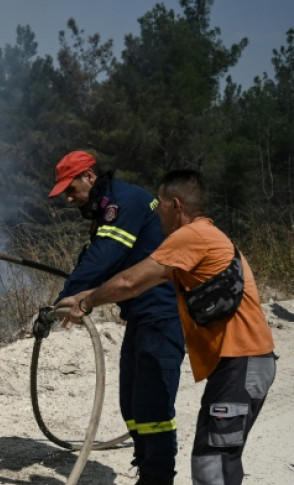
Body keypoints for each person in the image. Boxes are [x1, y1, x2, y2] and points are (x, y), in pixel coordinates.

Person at [57, 169, 277, 485]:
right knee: (211, 458)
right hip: (237, 365)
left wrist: (86, 301)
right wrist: (89, 296)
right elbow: (137, 283)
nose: (155, 209)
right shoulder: (200, 237)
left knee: (213, 464)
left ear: (176, 205)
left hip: (243, 363)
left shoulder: (190, 237)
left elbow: (130, 281)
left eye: (159, 203)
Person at [47, 151, 184, 485]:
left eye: (71, 189)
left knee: (153, 408)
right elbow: (99, 259)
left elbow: (103, 257)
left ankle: (158, 478)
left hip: (163, 313)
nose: (68, 198)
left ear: (89, 177)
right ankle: (147, 470)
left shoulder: (123, 203)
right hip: (141, 316)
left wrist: (65, 299)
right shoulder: (110, 206)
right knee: (132, 405)